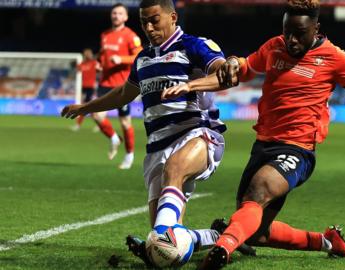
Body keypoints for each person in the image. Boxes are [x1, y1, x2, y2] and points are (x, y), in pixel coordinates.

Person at [161, 0, 345, 268]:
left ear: (316, 29)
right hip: (263, 146)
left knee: (258, 192)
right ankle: (327, 242)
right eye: (287, 32)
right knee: (256, 231)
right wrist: (220, 69)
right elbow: (242, 70)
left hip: (298, 150)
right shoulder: (275, 47)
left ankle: (221, 250)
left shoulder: (335, 58)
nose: (292, 40)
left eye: (300, 34)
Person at [61, 0, 253, 266]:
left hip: (198, 134)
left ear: (172, 17)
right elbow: (122, 94)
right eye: (144, 22)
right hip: (156, 148)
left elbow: (225, 75)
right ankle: (218, 235)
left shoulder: (194, 45)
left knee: (173, 175)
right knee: (166, 251)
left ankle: (159, 236)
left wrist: (190, 85)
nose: (149, 28)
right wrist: (86, 107)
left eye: (154, 20)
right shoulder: (143, 58)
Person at [94, 3, 143, 169]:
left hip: (122, 85)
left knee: (125, 122)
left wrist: (121, 59)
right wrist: (99, 64)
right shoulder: (105, 34)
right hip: (105, 83)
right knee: (96, 115)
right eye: (114, 13)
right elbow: (103, 55)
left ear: (126, 17)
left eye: (120, 13)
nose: (116, 16)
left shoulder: (130, 36)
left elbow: (138, 56)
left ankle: (129, 156)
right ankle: (114, 138)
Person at [71, 48, 98, 132]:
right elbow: (75, 67)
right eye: (86, 53)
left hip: (90, 88)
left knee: (84, 107)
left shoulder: (94, 63)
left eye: (89, 53)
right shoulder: (82, 64)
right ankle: (99, 124)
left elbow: (100, 67)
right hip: (83, 88)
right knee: (87, 107)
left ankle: (78, 125)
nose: (88, 55)